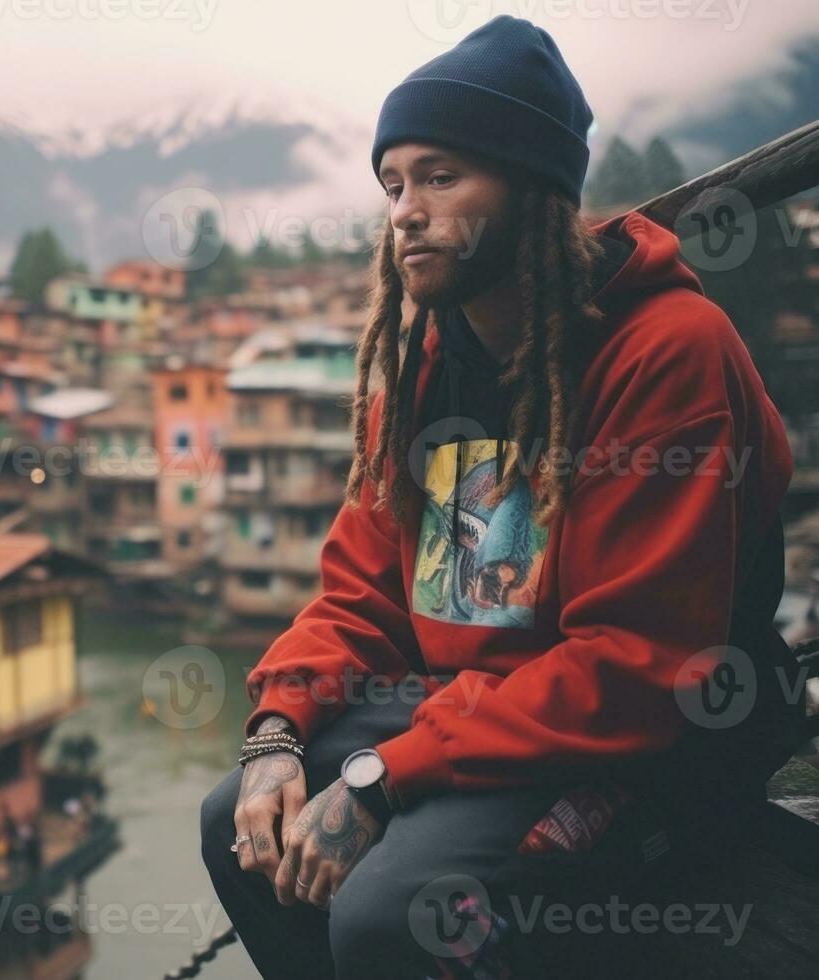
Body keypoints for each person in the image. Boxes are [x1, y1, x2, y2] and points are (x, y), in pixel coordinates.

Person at [200, 15, 806, 980]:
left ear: (532, 189)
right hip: (476, 710)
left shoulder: (664, 351)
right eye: (392, 183)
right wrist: (276, 732)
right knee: (231, 816)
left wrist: (380, 778)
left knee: (391, 916)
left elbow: (635, 667)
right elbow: (359, 595)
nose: (404, 209)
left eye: (442, 177)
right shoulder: (424, 366)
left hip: (644, 747)